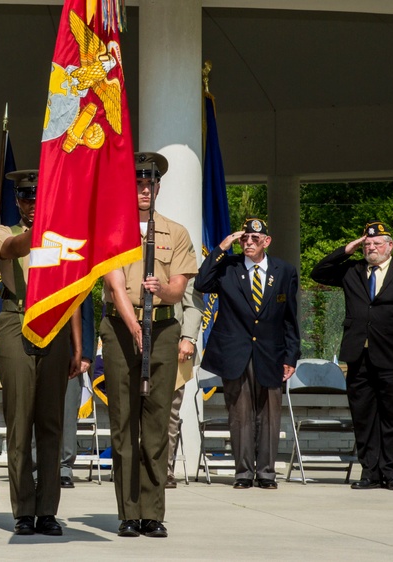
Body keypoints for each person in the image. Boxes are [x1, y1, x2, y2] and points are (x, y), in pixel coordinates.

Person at [101, 152, 196, 538]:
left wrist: (164, 293)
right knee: (123, 424)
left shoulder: (176, 231)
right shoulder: (113, 227)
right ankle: (128, 512)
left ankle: (152, 513)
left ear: (158, 187)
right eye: (137, 183)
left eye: (149, 183)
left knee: (156, 424)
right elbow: (113, 282)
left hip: (162, 329)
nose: (143, 189)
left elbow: (180, 286)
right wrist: (132, 323)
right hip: (122, 328)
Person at [0, 170, 82, 536]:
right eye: (26, 197)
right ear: (17, 201)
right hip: (16, 319)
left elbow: (73, 291)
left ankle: (47, 510)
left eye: (38, 196)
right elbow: (11, 250)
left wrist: (78, 346)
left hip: (56, 323)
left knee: (50, 422)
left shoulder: (64, 237)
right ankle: (23, 509)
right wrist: (41, 227)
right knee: (19, 420)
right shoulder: (3, 230)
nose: (31, 202)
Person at [311, 220, 393, 491]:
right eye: (367, 244)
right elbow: (319, 272)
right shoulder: (352, 270)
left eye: (377, 244)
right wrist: (347, 249)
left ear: (390, 246)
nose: (372, 248)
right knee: (363, 415)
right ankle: (370, 473)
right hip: (358, 356)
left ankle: (392, 473)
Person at [194, 217, 301, 490]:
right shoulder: (229, 267)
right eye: (245, 239)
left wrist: (291, 356)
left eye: (255, 239)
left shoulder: (284, 271)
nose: (249, 243)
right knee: (240, 414)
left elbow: (290, 317)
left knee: (269, 414)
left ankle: (266, 473)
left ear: (267, 241)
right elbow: (202, 283)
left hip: (271, 353)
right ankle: (243, 472)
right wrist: (222, 247)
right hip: (235, 353)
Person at [165, 278, 202, 488]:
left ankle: (165, 471)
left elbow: (193, 303)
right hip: (136, 344)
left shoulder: (178, 252)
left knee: (169, 414)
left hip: (174, 347)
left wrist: (188, 337)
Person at [60, 295, 95, 489]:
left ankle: (64, 467)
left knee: (67, 414)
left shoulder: (76, 267)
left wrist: (87, 355)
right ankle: (38, 467)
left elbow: (86, 313)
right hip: (38, 347)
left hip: (71, 351)